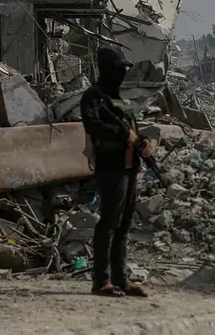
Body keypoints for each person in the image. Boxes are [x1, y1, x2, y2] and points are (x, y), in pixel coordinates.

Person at [80, 46, 152, 298]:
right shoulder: (92, 97)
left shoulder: (121, 98)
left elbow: (133, 126)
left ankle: (121, 280)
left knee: (123, 225)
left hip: (129, 166)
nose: (123, 73)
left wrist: (142, 142)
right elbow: (93, 126)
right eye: (119, 69)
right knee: (108, 224)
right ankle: (101, 281)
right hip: (110, 167)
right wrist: (123, 135)